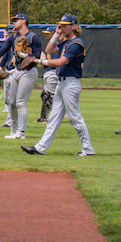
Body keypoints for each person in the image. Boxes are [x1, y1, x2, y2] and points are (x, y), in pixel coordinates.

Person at [23, 14, 94, 157]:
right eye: (61, 24)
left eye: (65, 24)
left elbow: (61, 62)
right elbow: (49, 50)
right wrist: (56, 33)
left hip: (70, 83)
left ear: (73, 26)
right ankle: (40, 148)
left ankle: (88, 149)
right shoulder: (66, 42)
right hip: (62, 83)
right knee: (54, 117)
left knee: (74, 118)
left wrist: (39, 62)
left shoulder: (76, 44)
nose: (62, 26)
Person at [1, 14, 43, 140]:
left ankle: (21, 132)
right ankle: (14, 130)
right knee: (11, 102)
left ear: (24, 21)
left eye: (16, 20)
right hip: (17, 70)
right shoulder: (15, 38)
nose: (14, 22)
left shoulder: (33, 37)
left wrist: (22, 54)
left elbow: (36, 56)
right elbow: (2, 50)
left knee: (20, 102)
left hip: (29, 72)